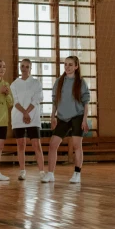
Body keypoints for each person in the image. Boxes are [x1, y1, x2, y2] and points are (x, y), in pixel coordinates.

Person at [44, 55, 90, 184]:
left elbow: (86, 102)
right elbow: (55, 100)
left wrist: (84, 119)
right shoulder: (59, 81)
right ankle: (50, 173)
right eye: (65, 64)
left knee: (76, 145)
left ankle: (77, 173)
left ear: (76, 66)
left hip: (77, 116)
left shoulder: (81, 82)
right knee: (53, 145)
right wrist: (53, 116)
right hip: (62, 117)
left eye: (70, 64)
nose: (67, 67)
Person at [10, 58, 45, 181]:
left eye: (26, 66)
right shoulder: (14, 84)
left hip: (33, 118)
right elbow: (15, 101)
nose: (24, 69)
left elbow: (37, 99)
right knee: (21, 144)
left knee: (36, 144)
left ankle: (41, 172)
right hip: (18, 117)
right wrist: (24, 113)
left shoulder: (36, 83)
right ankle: (22, 171)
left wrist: (28, 113)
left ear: (31, 68)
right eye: (22, 66)